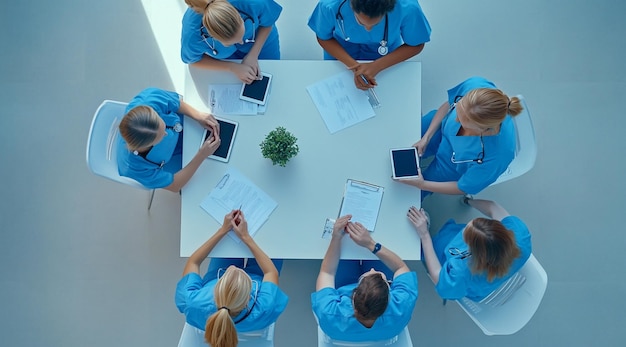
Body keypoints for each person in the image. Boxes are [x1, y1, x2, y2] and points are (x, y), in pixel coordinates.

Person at [395, 76, 524, 199]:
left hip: (450, 165)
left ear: (483, 129)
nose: (456, 119)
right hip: (438, 128)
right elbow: (447, 106)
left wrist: (422, 184)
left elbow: (462, 187)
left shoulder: (497, 157)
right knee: (398, 142)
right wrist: (427, 137)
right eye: (458, 111)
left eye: (462, 122)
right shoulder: (475, 85)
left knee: (411, 192)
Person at [175, 210, 288, 347]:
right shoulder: (263, 307)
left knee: (229, 241)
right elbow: (270, 272)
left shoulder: (194, 302)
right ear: (248, 300)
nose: (233, 267)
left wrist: (223, 230)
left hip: (226, 278)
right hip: (260, 275)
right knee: (275, 230)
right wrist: (245, 237)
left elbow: (193, 263)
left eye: (227, 274)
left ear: (217, 288)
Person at [312, 215, 418, 342]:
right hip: (382, 333)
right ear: (389, 298)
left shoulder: (329, 312)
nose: (372, 270)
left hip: (343, 287)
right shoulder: (401, 307)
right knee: (384, 239)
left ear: (354, 294)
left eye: (367, 276)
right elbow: (400, 267)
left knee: (346, 249)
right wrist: (370, 244)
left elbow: (327, 273)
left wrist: (336, 237)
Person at [407, 198, 532, 301]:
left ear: (471, 251)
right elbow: (493, 207)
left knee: (432, 247)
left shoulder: (461, 274)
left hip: (443, 255)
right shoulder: (520, 236)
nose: (466, 226)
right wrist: (469, 201)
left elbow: (438, 278)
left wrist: (424, 234)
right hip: (486, 280)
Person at [308, 0, 431, 90]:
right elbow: (323, 37)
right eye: (361, 23)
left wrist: (377, 66)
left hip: (386, 55)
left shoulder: (408, 7)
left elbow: (416, 44)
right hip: (340, 51)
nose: (368, 29)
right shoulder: (329, 4)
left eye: (376, 24)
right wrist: (355, 67)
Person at [117, 87, 220, 192]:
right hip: (173, 159)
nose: (167, 133)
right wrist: (201, 155)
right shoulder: (134, 168)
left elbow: (175, 103)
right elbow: (175, 185)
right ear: (146, 146)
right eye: (162, 136)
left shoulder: (149, 98)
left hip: (189, 128)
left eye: (164, 125)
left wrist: (198, 115)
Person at [181, 0, 283, 84]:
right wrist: (232, 68)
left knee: (274, 76)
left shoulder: (253, 2)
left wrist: (253, 55)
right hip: (225, 57)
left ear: (240, 16)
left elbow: (268, 21)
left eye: (243, 33)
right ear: (213, 37)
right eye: (229, 43)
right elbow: (193, 61)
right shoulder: (192, 35)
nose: (241, 42)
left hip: (261, 39)